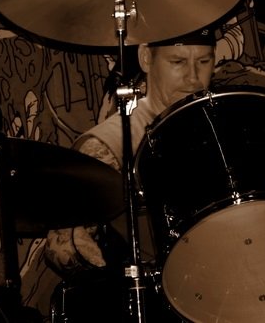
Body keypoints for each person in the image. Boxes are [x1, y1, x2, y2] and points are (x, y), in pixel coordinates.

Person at [43, 27, 217, 321]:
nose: (193, 78)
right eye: (177, 62)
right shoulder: (109, 144)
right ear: (146, 58)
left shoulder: (226, 128)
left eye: (203, 61)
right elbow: (61, 248)